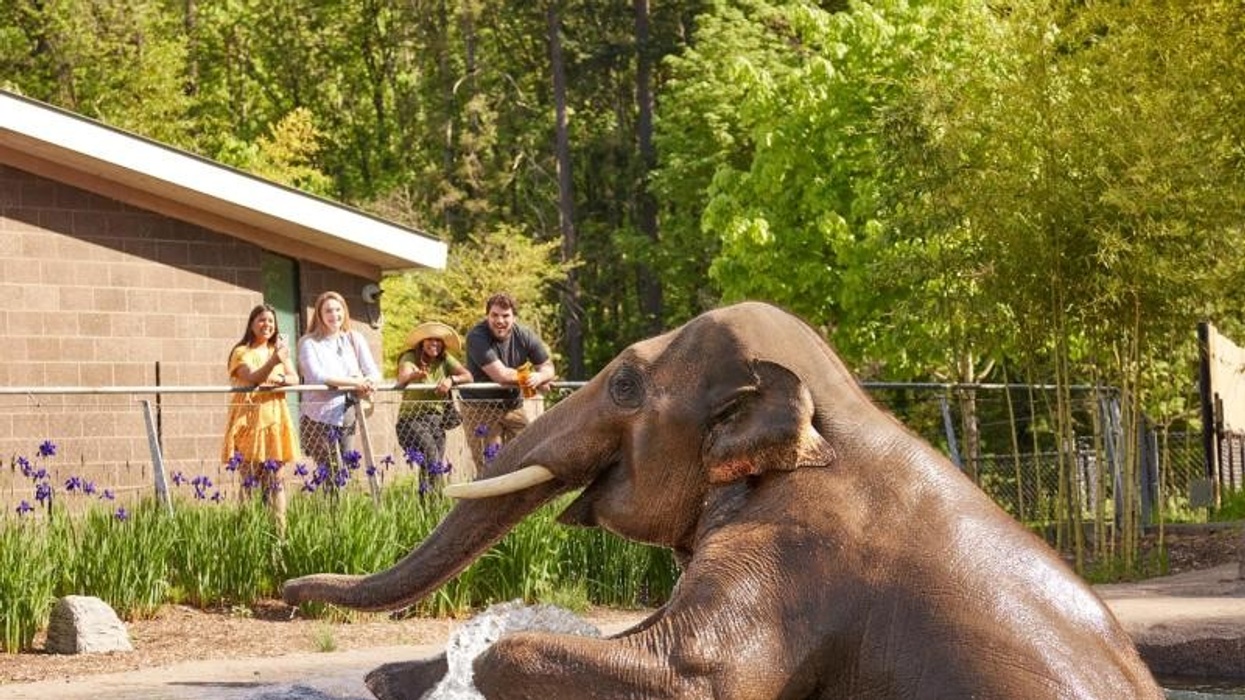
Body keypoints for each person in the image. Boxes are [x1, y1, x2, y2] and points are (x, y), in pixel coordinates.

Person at [220, 304, 300, 530]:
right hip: (248, 421)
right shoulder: (241, 352)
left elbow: (295, 378)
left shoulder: (278, 351)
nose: (267, 325)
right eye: (262, 320)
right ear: (252, 324)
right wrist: (274, 362)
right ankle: (245, 531)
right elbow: (253, 377)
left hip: (274, 418)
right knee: (249, 480)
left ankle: (279, 533)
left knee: (276, 480)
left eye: (271, 322)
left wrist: (283, 379)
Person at [461, 293, 555, 468]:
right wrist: (532, 379)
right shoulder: (476, 337)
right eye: (494, 315)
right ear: (487, 316)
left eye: (505, 316)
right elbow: (501, 376)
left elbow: (548, 366)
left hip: (512, 405)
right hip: (480, 407)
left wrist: (540, 377)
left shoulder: (525, 335)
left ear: (514, 317)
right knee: (490, 464)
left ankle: (521, 495)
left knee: (530, 453)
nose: (500, 320)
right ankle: (487, 495)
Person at [297, 291, 381, 476]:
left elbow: (373, 372)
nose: (334, 315)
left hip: (348, 409)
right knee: (330, 470)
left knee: (344, 471)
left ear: (344, 311)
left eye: (338, 309)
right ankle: (329, 505)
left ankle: (341, 505)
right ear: (319, 314)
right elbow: (318, 375)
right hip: (317, 415)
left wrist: (369, 382)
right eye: (328, 311)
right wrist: (354, 382)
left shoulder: (354, 338)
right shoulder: (309, 342)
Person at [395, 321, 473, 486]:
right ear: (422, 342)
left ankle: (430, 507)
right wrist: (413, 376)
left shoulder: (445, 359)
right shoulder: (410, 356)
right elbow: (403, 376)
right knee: (431, 455)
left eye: (438, 340)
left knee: (433, 464)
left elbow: (468, 376)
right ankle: (435, 499)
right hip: (411, 420)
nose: (434, 344)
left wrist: (451, 380)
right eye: (430, 339)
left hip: (436, 421)